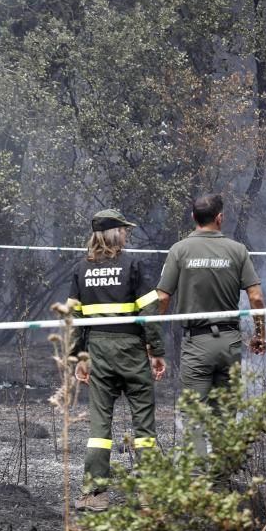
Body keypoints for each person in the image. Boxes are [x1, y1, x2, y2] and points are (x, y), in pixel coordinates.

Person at [67, 209, 166, 512]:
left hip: (97, 351)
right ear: (114, 233)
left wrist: (77, 359)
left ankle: (96, 496)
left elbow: (74, 319)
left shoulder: (81, 269)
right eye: (124, 230)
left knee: (99, 428)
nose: (126, 234)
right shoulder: (133, 265)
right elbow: (149, 313)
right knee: (144, 427)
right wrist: (156, 351)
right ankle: (149, 497)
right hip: (132, 350)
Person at [156, 194, 266, 458]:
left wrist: (154, 340)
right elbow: (256, 297)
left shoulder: (179, 250)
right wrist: (260, 334)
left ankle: (198, 476)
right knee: (225, 412)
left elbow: (161, 297)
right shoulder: (238, 250)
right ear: (220, 218)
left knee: (194, 411)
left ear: (194, 218)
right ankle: (220, 480)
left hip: (196, 342)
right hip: (229, 342)